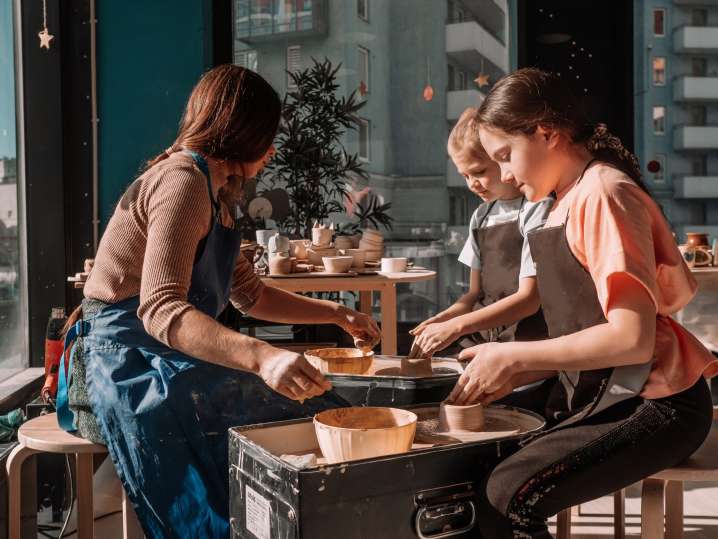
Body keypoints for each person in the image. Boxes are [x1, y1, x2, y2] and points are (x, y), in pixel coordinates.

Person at [58, 65, 380, 538]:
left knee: (313, 404)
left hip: (160, 349)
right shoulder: (184, 181)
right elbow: (161, 309)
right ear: (242, 132)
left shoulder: (219, 193)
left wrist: (338, 314)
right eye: (268, 138)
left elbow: (250, 295)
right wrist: (262, 357)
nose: (271, 151)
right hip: (116, 359)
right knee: (294, 411)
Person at [449, 67, 718, 538]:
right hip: (612, 393)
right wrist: (515, 372)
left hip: (659, 406)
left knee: (509, 491)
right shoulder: (565, 199)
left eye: (506, 156)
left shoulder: (604, 193)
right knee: (476, 467)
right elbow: (584, 326)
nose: (505, 174)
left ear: (546, 133)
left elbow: (631, 340)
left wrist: (509, 353)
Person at [410, 107, 551, 356]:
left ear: (501, 158)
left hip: (526, 338)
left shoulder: (536, 209)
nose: (471, 183)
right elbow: (474, 294)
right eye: (464, 175)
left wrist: (456, 327)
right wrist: (442, 320)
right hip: (482, 336)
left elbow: (530, 299)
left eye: (479, 172)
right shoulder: (481, 216)